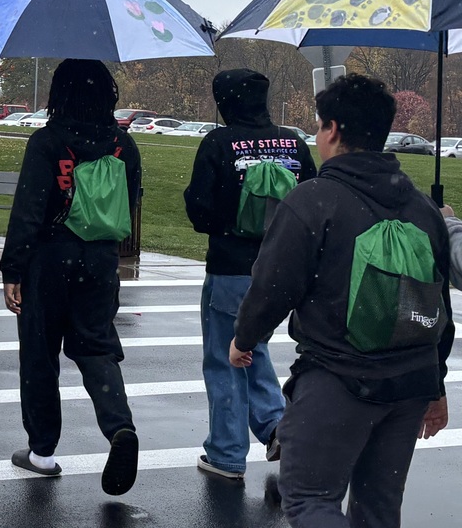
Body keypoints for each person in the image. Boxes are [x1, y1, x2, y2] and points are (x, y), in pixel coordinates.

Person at [231, 74, 453, 527]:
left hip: (338, 380)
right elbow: (437, 307)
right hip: (410, 384)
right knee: (378, 508)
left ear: (332, 129)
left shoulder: (313, 201)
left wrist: (244, 337)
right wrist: (436, 384)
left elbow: (273, 285)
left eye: (317, 127)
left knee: (310, 498)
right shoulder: (422, 209)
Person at [0, 59, 142, 496]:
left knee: (40, 354)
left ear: (59, 94)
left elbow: (28, 210)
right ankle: (119, 427)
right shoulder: (124, 145)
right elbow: (130, 202)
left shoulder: (48, 143)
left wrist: (13, 269)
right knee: (97, 346)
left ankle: (42, 450)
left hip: (49, 259)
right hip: (100, 261)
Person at [183, 69, 316, 479]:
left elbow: (199, 210)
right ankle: (277, 426)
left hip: (232, 268)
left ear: (225, 103)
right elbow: (314, 199)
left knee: (225, 359)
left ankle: (226, 453)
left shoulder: (219, 143)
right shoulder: (293, 142)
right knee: (251, 348)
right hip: (287, 271)